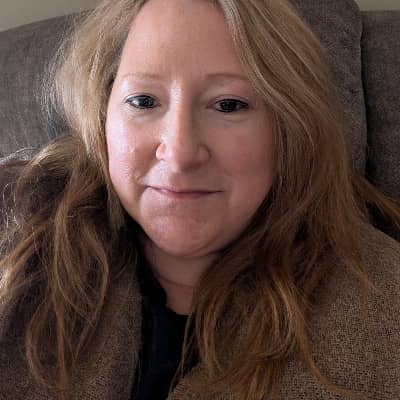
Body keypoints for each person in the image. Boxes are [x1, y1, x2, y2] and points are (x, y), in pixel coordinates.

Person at [0, 0, 399, 399]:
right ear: (102, 115)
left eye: (228, 105)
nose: (180, 154)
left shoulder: (383, 310)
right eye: (143, 101)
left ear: (290, 127)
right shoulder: (15, 222)